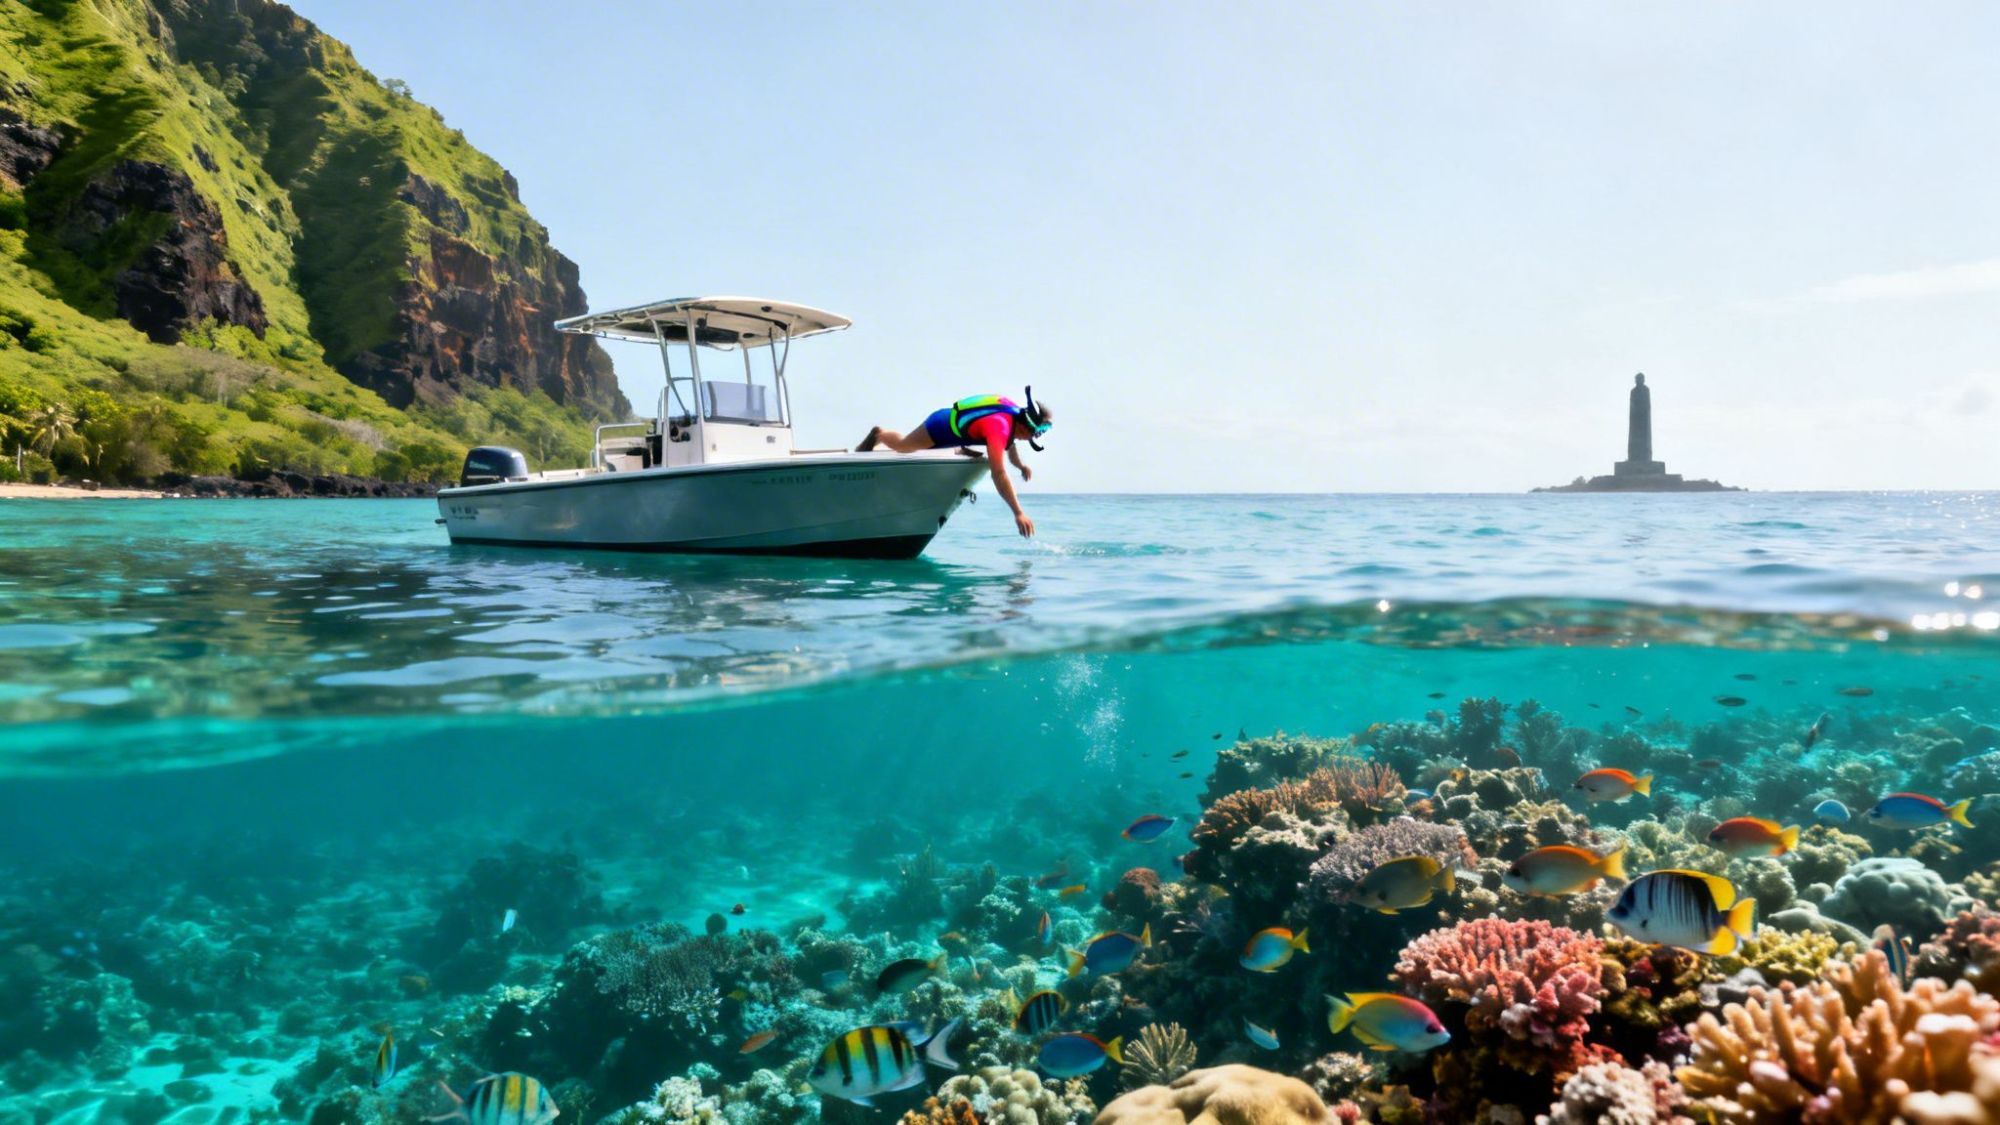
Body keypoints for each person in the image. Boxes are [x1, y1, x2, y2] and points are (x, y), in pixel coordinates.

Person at [856, 388, 1052, 538]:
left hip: (959, 433)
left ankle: (961, 447)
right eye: (1034, 434)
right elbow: (998, 473)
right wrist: (1018, 513)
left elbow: (1010, 444)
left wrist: (1020, 466)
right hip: (939, 426)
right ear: (1025, 427)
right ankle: (879, 434)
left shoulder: (1014, 417)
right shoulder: (999, 427)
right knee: (904, 446)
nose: (1031, 438)